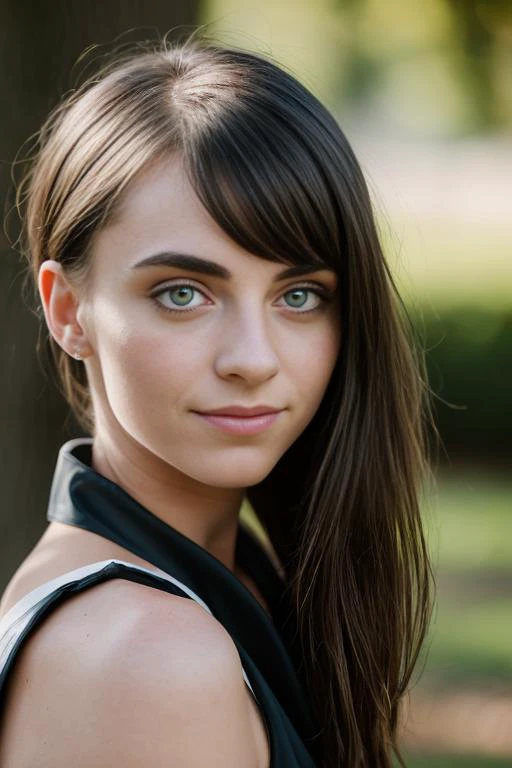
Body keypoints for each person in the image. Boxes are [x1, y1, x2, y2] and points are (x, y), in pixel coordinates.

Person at [0, 32, 435, 767]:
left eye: (300, 295)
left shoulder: (234, 585)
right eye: (183, 294)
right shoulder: (152, 656)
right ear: (68, 310)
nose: (253, 360)